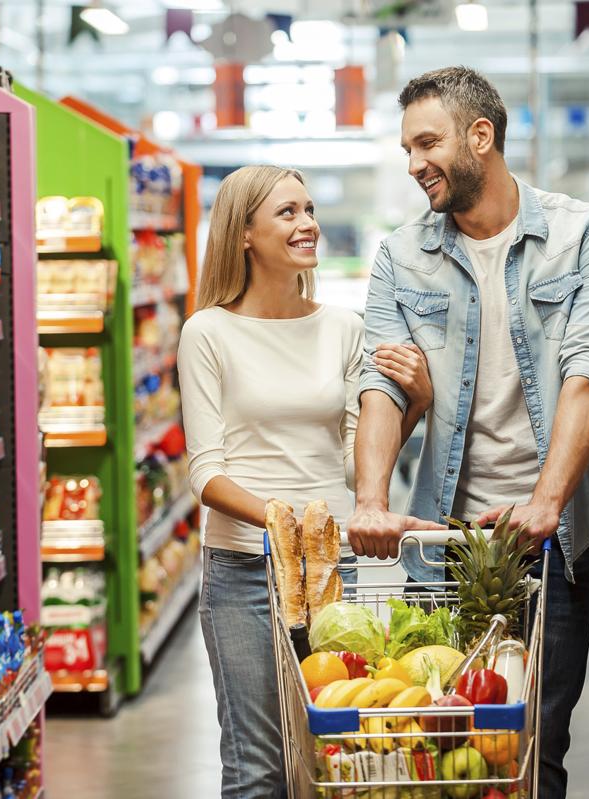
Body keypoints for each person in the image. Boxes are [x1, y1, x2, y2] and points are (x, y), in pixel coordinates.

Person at [347, 67, 589, 797]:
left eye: (427, 143)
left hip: (556, 536)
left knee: (533, 743)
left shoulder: (582, 233)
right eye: (407, 149)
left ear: (482, 136)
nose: (414, 165)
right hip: (448, 538)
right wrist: (372, 499)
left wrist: (547, 500)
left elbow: (588, 373)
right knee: (444, 744)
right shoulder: (401, 256)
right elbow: (378, 383)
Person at [178, 165, 436, 798]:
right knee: (257, 767)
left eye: (309, 209)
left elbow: (356, 465)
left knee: (332, 755)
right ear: (243, 233)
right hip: (243, 569)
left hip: (330, 570)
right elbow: (205, 473)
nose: (308, 224)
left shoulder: (344, 328)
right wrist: (285, 522)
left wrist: (417, 406)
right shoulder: (207, 332)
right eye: (287, 213)